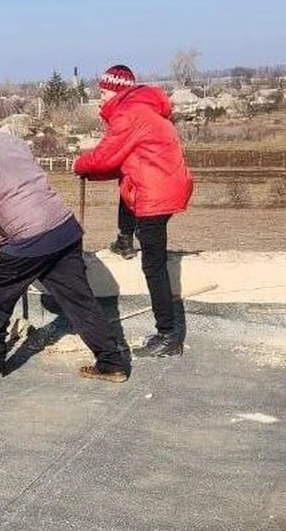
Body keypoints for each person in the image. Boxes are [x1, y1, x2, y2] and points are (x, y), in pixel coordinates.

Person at [0, 104, 131, 382]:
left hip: (31, 235)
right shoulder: (7, 139)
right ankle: (112, 362)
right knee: (79, 301)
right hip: (63, 226)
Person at [73, 64, 193, 358]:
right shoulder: (142, 108)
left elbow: (103, 158)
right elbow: (118, 163)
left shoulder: (129, 114)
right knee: (125, 189)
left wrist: (80, 164)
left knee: (153, 265)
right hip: (158, 183)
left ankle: (168, 336)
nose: (99, 98)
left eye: (102, 92)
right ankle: (125, 239)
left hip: (155, 193)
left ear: (115, 90)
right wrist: (91, 170)